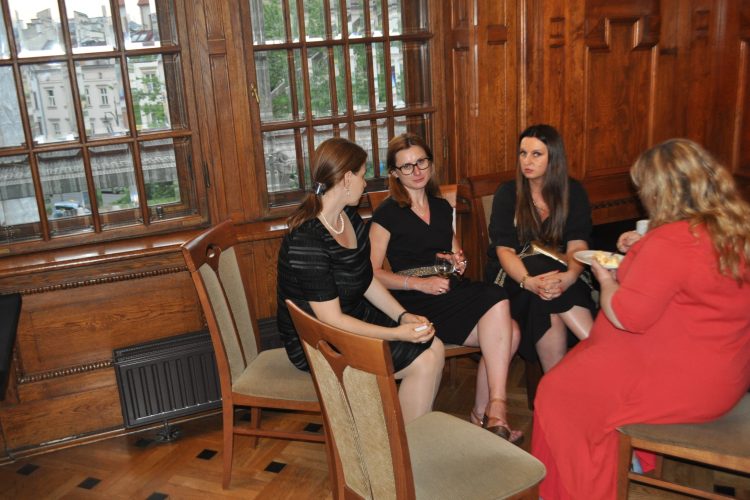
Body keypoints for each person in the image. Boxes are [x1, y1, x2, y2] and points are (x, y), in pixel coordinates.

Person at [531, 138, 750, 499]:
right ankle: (624, 459)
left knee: (557, 393)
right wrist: (642, 252)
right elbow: (690, 291)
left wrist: (605, 278)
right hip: (727, 373)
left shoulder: (671, 241)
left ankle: (581, 488)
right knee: (578, 371)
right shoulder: (734, 227)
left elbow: (627, 316)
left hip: (686, 383)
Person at [276, 137, 445, 424]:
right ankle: (404, 445)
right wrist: (396, 334)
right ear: (346, 178)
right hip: (318, 341)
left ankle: (405, 441)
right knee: (424, 361)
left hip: (351, 316)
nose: (365, 183)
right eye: (362, 175)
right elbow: (330, 320)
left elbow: (366, 280)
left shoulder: (349, 220)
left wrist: (402, 316)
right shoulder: (307, 240)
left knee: (434, 346)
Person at [369, 132, 522, 442]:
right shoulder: (388, 212)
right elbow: (370, 274)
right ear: (395, 173)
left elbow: (453, 254)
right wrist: (419, 283)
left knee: (513, 331)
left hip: (448, 292)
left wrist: (457, 262)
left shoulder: (441, 207)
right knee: (496, 296)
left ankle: (483, 414)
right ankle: (496, 409)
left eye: (421, 162)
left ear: (431, 163)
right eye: (407, 166)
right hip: (413, 301)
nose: (417, 171)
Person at [486, 124, 595, 372]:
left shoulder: (573, 191)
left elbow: (577, 245)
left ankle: (556, 385)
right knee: (542, 277)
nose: (527, 161)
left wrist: (569, 277)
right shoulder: (508, 193)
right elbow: (505, 251)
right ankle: (602, 350)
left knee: (547, 299)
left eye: (536, 154)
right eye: (523, 153)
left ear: (553, 157)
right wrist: (528, 282)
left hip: (561, 277)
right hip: (514, 278)